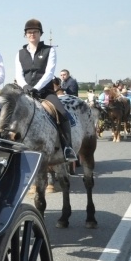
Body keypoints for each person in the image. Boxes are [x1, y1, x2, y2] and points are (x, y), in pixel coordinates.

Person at [14, 19, 77, 162]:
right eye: (29, 32)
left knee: (62, 113)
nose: (32, 34)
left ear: (40, 34)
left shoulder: (49, 50)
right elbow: (19, 74)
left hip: (45, 92)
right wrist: (26, 86)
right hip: (25, 91)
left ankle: (68, 147)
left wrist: (36, 88)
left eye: (35, 32)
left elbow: (49, 73)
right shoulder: (20, 53)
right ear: (25, 34)